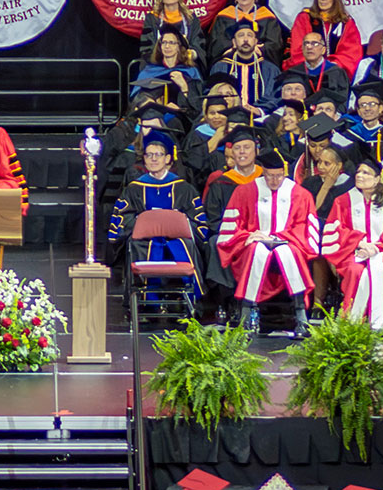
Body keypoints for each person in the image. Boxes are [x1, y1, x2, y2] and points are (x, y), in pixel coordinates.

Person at [214, 143, 318, 337]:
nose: (274, 180)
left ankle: (301, 316)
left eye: (278, 175)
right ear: (263, 173)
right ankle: (246, 315)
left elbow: (304, 228)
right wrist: (249, 236)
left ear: (284, 172)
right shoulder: (244, 191)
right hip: (253, 246)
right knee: (256, 251)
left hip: (288, 243)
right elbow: (233, 228)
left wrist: (280, 238)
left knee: (289, 252)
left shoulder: (300, 194)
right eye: (269, 175)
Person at [106, 131, 204, 301]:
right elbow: (122, 219)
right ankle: (144, 302)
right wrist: (143, 223)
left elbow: (198, 222)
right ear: (143, 158)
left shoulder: (184, 188)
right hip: (145, 242)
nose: (153, 159)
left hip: (177, 241)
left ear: (168, 158)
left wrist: (175, 223)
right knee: (136, 244)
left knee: (185, 244)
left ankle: (187, 301)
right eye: (149, 155)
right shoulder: (134, 188)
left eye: (158, 155)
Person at [322, 158, 383, 328]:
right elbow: (336, 229)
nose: (360, 176)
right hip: (352, 253)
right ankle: (354, 323)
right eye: (358, 172)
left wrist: (377, 248)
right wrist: (359, 243)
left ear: (378, 178)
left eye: (366, 173)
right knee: (355, 271)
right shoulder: (342, 201)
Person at [204, 0, 286, 67]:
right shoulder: (223, 16)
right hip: (229, 62)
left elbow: (275, 44)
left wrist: (259, 49)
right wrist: (238, 48)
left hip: (260, 63)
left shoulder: (267, 17)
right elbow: (216, 43)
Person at [287, 0, 365, 77]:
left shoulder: (346, 23)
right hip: (307, 72)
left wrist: (329, 66)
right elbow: (298, 49)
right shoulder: (305, 18)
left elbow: (351, 53)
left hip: (334, 73)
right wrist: (316, 65)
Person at [138, 0, 200, 69]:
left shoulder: (191, 19)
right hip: (157, 67)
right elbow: (147, 50)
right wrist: (167, 58)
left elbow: (198, 48)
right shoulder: (152, 19)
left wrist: (186, 56)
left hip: (185, 67)